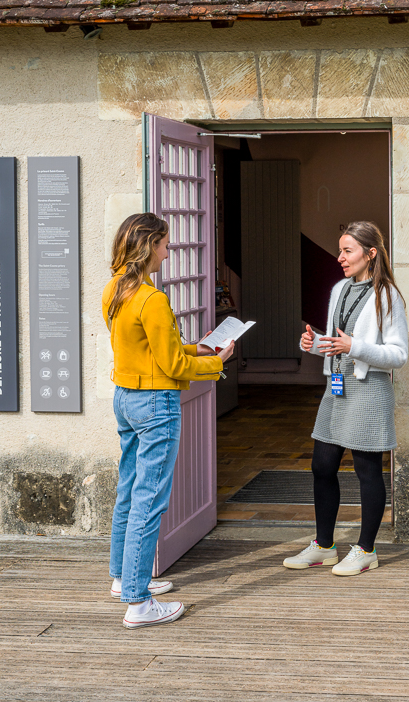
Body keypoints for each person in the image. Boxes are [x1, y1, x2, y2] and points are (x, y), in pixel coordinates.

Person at [102, 213, 234, 629]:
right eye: (163, 244)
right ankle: (138, 604)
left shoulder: (114, 291)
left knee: (129, 490)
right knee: (149, 499)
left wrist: (202, 348)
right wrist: (216, 362)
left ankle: (124, 581)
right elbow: (171, 362)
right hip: (156, 403)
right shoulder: (151, 298)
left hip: (125, 398)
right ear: (147, 248)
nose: (167, 250)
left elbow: (160, 347)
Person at [283, 221, 408, 576]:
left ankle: (366, 549)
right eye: (340, 250)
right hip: (336, 388)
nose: (340, 257)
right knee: (322, 465)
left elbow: (398, 354)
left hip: (369, 390)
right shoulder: (340, 289)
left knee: (368, 471)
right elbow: (336, 341)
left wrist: (356, 347)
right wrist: (312, 343)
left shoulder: (388, 296)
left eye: (347, 251)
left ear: (371, 254)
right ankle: (324, 547)